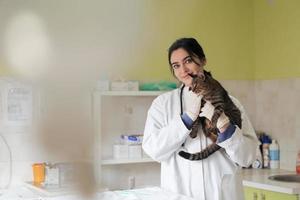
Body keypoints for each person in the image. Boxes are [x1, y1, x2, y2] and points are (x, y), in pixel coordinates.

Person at [142, 37, 259, 200]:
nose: (183, 70)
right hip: (180, 194)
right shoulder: (163, 105)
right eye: (176, 66)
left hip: (222, 195)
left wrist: (226, 127)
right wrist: (187, 119)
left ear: (203, 60)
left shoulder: (231, 103)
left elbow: (249, 157)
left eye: (188, 60)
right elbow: (153, 150)